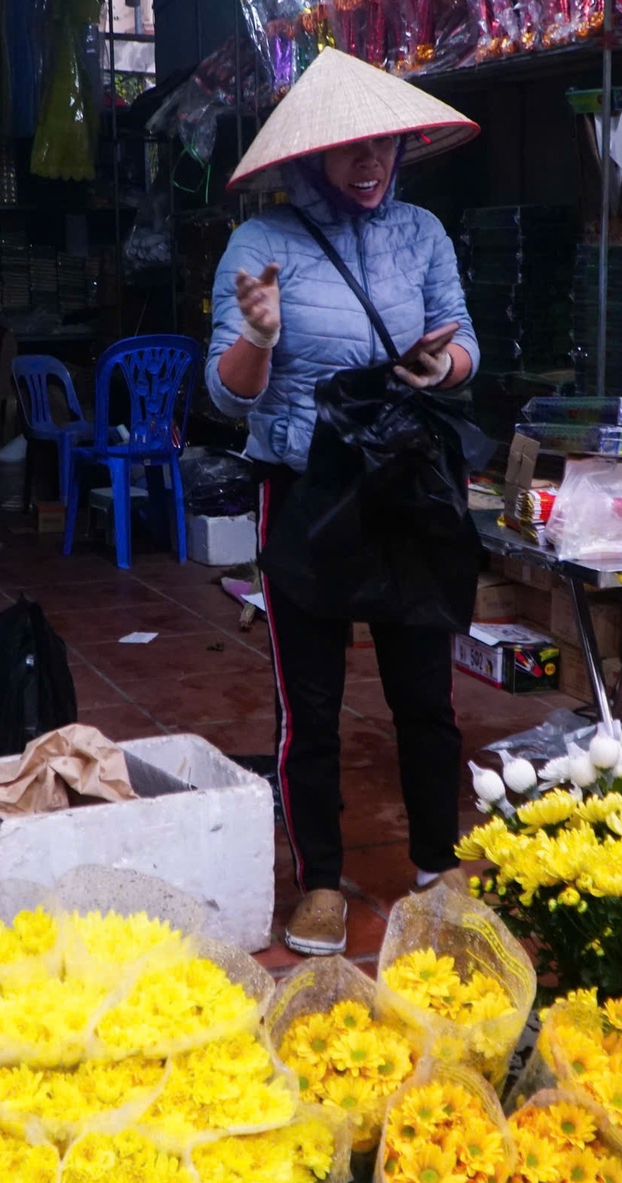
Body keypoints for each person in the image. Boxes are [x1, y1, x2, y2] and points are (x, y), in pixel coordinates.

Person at [205, 49, 482, 956]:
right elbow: (228, 395)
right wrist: (258, 334)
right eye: (350, 150)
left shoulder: (424, 234)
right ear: (310, 157)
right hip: (307, 491)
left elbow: (466, 344)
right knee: (309, 703)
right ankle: (320, 883)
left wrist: (441, 364)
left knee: (425, 697)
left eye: (384, 147)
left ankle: (438, 866)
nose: (370, 165)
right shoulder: (261, 248)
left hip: (405, 488)